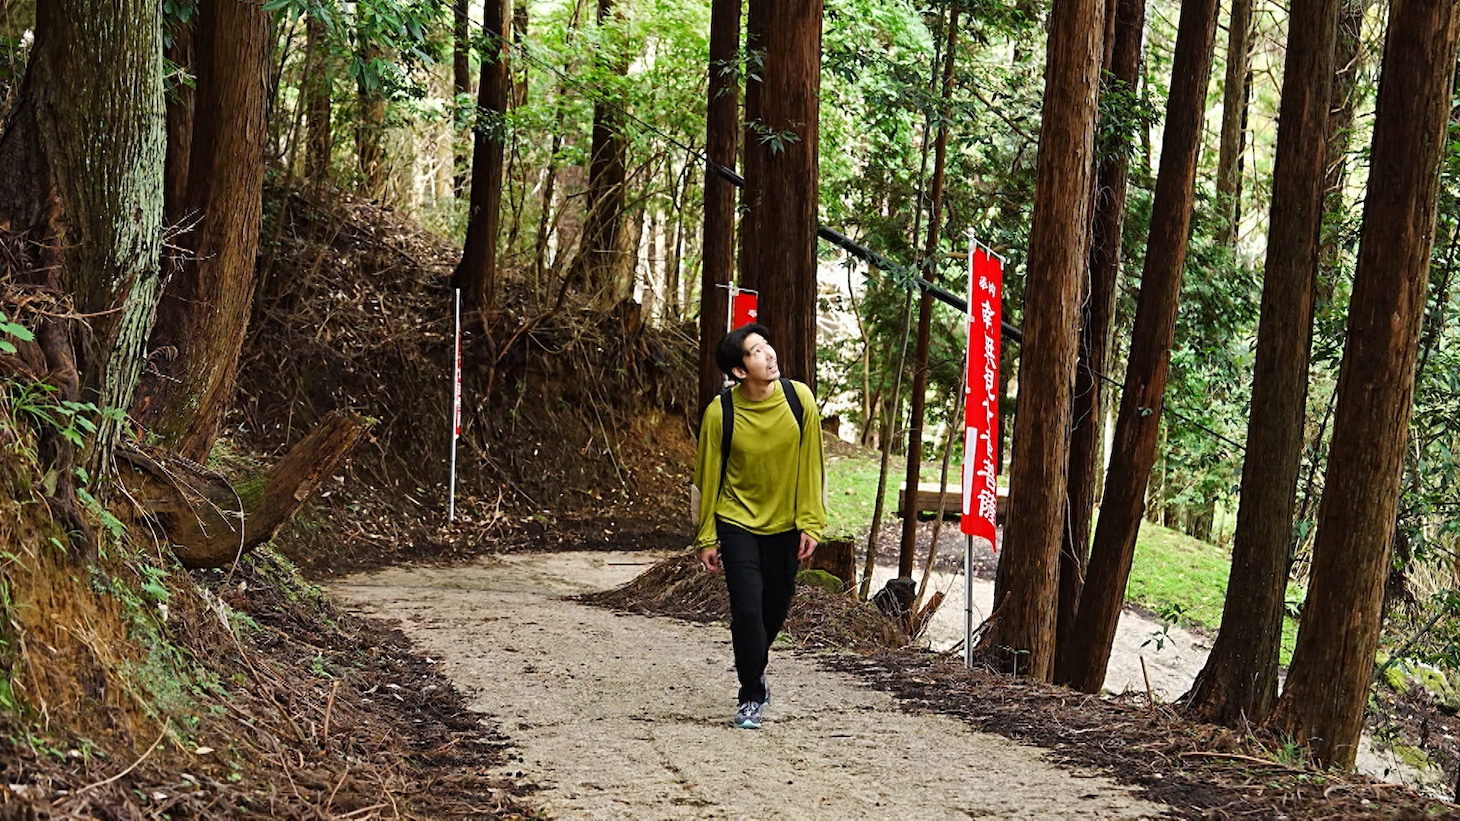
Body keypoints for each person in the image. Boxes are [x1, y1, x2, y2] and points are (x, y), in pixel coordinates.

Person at [693, 323, 827, 730]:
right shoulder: (722, 412)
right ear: (738, 371)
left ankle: (755, 666)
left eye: (767, 346)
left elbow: (812, 464)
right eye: (755, 351)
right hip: (737, 522)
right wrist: (706, 535)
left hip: (785, 523)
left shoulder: (798, 398)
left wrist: (811, 521)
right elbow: (708, 475)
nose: (769, 354)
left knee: (774, 607)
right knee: (747, 607)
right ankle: (751, 692)